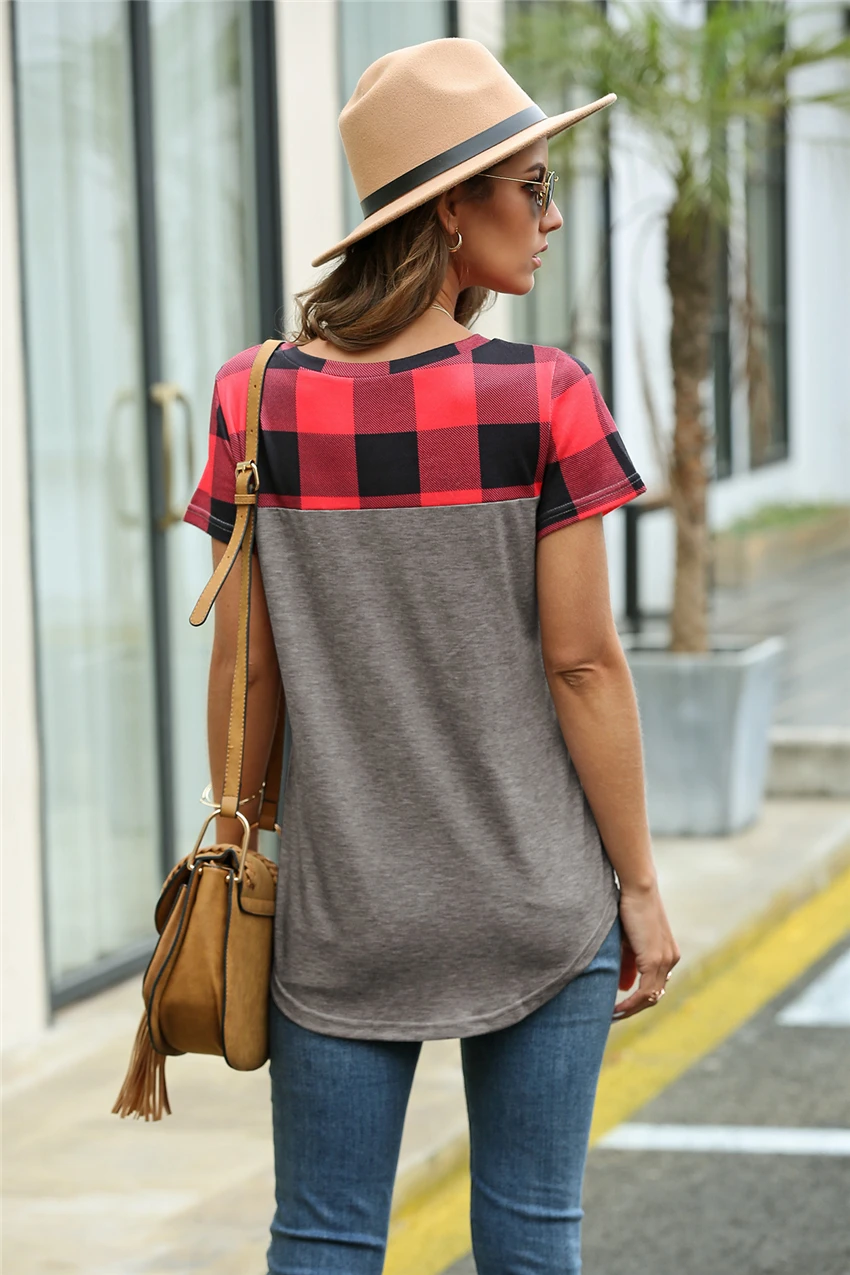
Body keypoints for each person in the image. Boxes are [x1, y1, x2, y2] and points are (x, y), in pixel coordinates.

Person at [183, 36, 680, 1275]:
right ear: (452, 209)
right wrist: (637, 884)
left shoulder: (255, 399)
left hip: (345, 912)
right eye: (533, 187)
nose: (549, 218)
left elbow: (247, 670)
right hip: (537, 899)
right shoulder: (543, 393)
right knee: (530, 1240)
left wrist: (240, 836)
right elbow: (583, 666)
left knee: (323, 1239)